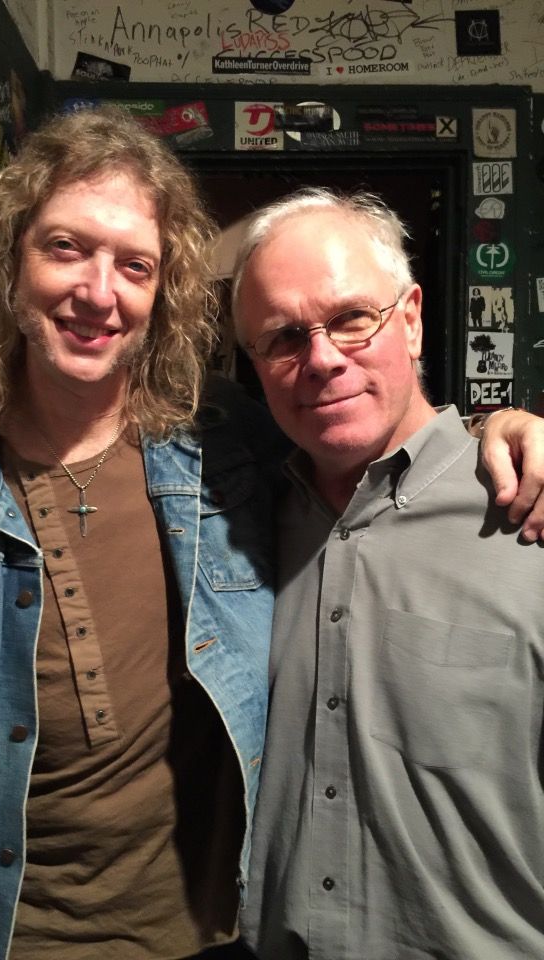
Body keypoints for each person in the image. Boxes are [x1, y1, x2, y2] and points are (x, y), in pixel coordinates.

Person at [0, 109, 543, 960]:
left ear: (161, 293)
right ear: (10, 262)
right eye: (65, 248)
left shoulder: (224, 447)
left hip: (222, 930)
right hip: (16, 933)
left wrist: (501, 427)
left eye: (135, 264)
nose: (99, 292)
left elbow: (376, 434)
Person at [232, 187, 544, 960]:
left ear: (410, 319)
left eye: (351, 318)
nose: (322, 358)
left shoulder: (525, 514)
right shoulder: (232, 525)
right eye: (284, 337)